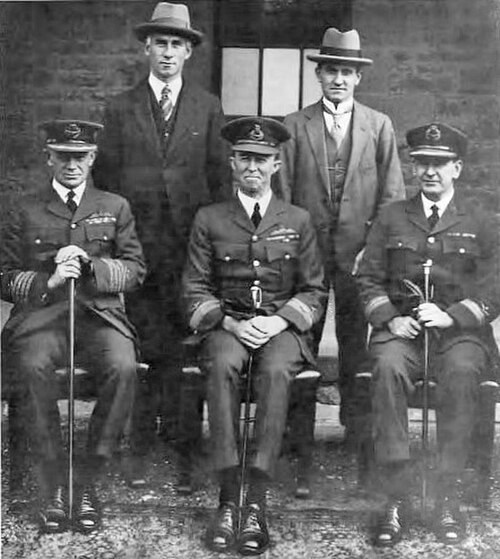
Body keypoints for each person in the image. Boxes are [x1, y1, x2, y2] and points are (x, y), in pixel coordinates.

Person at [182, 117, 327, 555]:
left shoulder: (297, 220)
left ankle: (257, 499)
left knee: (279, 368)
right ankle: (229, 497)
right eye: (245, 158)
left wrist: (281, 321)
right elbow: (193, 288)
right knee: (223, 364)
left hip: (279, 327)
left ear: (276, 165)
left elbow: (314, 288)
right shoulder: (209, 218)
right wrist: (229, 323)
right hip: (229, 325)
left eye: (261, 159)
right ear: (231, 162)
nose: (253, 167)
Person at [357, 122, 500, 546]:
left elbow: (495, 284)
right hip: (402, 331)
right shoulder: (392, 216)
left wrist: (453, 316)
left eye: (439, 164)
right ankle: (395, 495)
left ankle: (447, 494)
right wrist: (388, 318)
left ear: (457, 167)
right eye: (422, 164)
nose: (429, 172)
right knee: (386, 368)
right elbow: (368, 278)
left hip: (458, 335)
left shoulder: (480, 219)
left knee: (461, 373)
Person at [93, 2, 229, 445]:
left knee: (185, 338)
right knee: (138, 337)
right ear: (146, 47)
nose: (169, 53)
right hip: (136, 244)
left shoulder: (208, 107)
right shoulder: (120, 107)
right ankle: (138, 440)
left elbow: (219, 179)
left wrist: (212, 242)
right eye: (161, 43)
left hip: (190, 246)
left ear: (189, 52)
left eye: (177, 44)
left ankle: (183, 439)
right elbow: (107, 178)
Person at [1, 120, 146, 533]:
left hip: (99, 317)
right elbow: (4, 274)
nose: (71, 164)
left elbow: (136, 270)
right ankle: (52, 483)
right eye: (62, 156)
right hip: (43, 318)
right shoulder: (24, 208)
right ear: (48, 157)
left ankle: (86, 480)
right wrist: (47, 279)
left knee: (124, 366)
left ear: (93, 158)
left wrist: (92, 266)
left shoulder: (115, 206)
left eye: (79, 156)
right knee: (30, 367)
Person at [280, 27, 405, 444]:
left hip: (359, 252)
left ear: (358, 77)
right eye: (331, 70)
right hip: (307, 251)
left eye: (346, 71)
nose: (338, 79)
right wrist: (290, 247)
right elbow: (281, 195)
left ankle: (356, 428)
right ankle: (296, 431)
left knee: (356, 339)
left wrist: (375, 251)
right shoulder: (296, 125)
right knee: (301, 336)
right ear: (319, 75)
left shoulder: (378, 125)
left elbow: (392, 197)